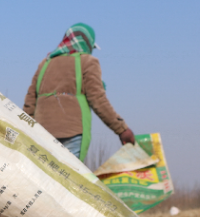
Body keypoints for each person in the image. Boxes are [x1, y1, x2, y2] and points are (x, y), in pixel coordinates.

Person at [22, 23, 135, 162]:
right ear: (87, 43)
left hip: (41, 132)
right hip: (73, 132)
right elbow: (97, 99)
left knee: (46, 179)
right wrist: (122, 129)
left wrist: (25, 131)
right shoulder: (87, 61)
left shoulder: (45, 63)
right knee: (68, 179)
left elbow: (29, 102)